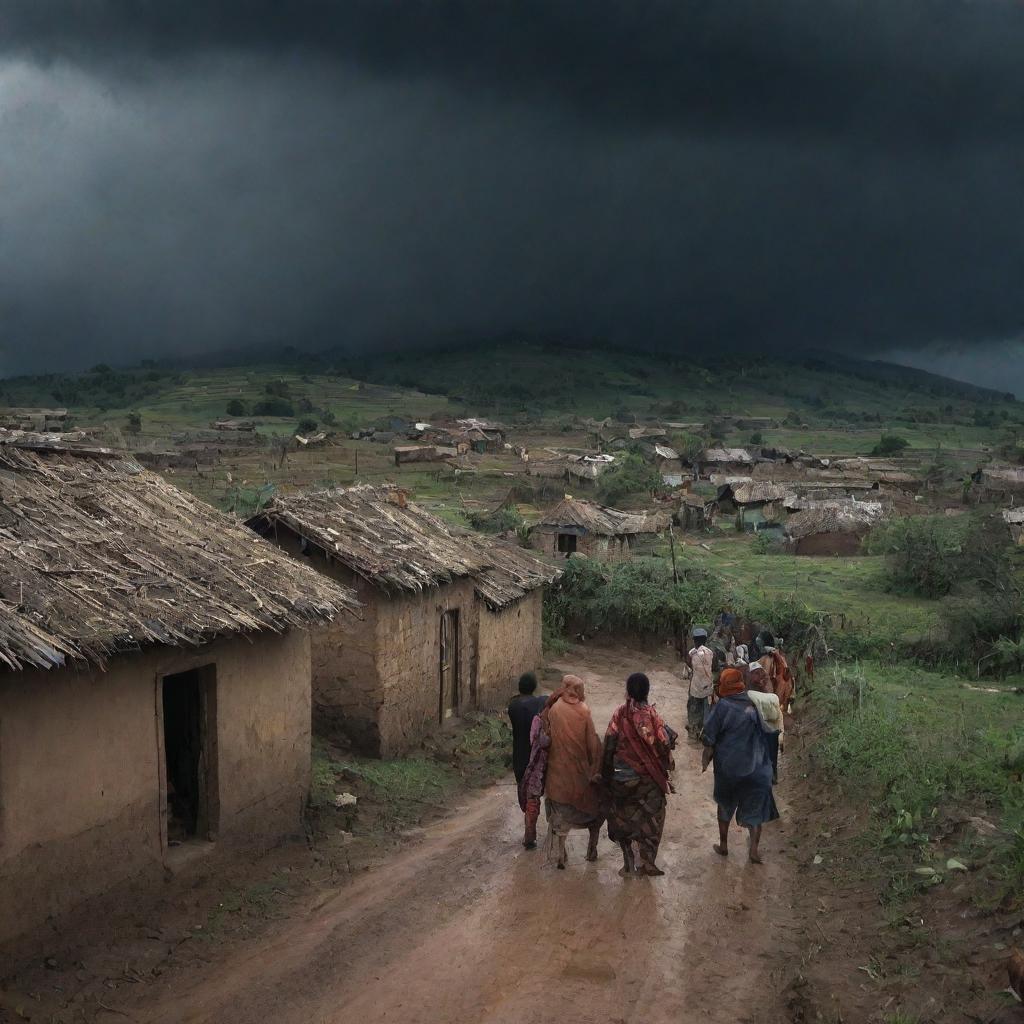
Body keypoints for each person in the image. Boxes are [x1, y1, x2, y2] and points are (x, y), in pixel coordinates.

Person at [701, 667, 780, 864]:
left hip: (730, 769)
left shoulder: (722, 706)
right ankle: (753, 850)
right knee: (756, 812)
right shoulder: (754, 703)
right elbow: (769, 730)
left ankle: (724, 845)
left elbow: (709, 738)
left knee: (725, 805)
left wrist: (705, 759)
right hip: (757, 769)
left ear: (725, 686)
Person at [602, 673, 675, 877]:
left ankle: (628, 863)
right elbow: (664, 744)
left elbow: (608, 743)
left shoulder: (619, 714)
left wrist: (605, 774)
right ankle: (648, 862)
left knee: (621, 819)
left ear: (628, 690)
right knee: (653, 817)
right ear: (647, 691)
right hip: (648, 781)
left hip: (621, 780)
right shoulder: (652, 715)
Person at [542, 674, 604, 869]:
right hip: (579, 773)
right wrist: (596, 765)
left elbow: (547, 737)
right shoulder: (584, 711)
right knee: (592, 805)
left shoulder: (554, 709)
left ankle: (561, 853)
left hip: (557, 773)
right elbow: (592, 743)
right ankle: (591, 849)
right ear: (578, 690)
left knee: (559, 811)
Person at [508, 672, 547, 849]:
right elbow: (548, 699)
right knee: (534, 794)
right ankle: (529, 832)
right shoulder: (540, 703)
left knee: (524, 793)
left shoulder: (513, 707)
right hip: (536, 758)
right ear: (534, 687)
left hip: (519, 758)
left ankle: (529, 827)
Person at [745, 663, 783, 782]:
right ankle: (771, 774)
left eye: (759, 673)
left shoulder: (756, 683)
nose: (759, 676)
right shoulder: (763, 681)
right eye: (756, 674)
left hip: (764, 723)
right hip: (767, 723)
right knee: (770, 748)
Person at [686, 628, 715, 740]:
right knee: (706, 709)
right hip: (708, 687)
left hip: (695, 687)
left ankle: (693, 730)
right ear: (706, 640)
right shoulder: (711, 653)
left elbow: (689, 665)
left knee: (693, 708)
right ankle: (705, 731)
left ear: (694, 640)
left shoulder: (691, 653)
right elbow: (715, 667)